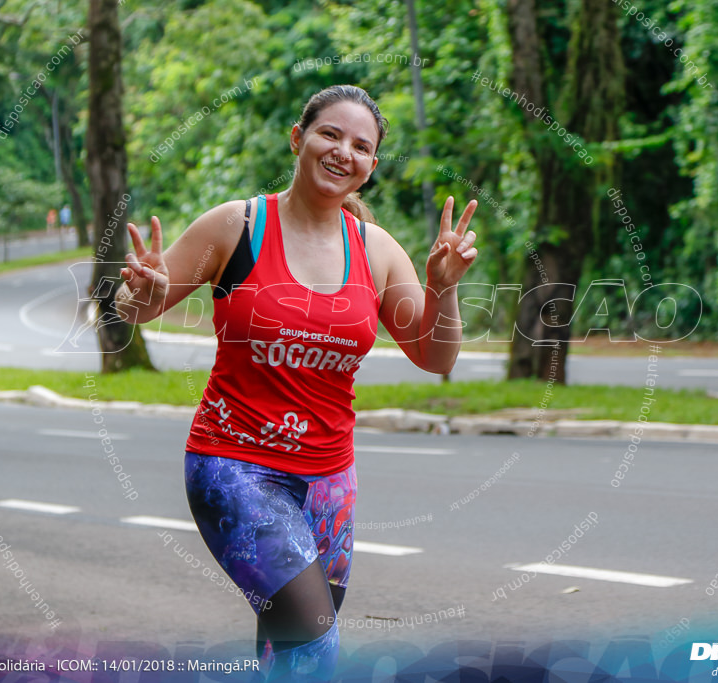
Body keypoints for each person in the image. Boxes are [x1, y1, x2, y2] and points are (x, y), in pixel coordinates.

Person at [113, 85, 478, 681]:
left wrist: (444, 286)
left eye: (361, 146)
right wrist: (143, 293)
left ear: (371, 166)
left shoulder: (376, 251)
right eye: (329, 134)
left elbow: (434, 355)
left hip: (329, 483)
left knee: (286, 647)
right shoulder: (237, 226)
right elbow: (136, 303)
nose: (343, 152)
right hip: (235, 466)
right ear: (297, 138)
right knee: (312, 638)